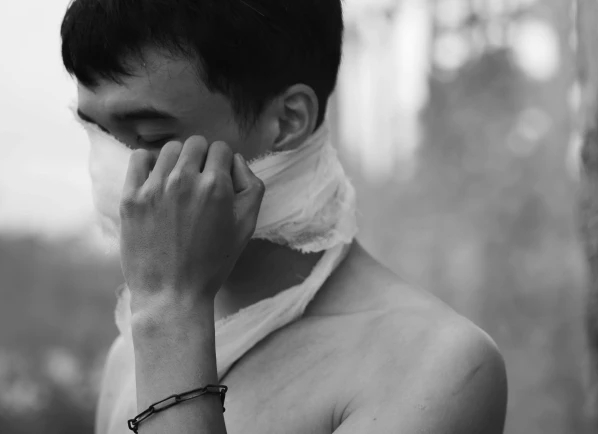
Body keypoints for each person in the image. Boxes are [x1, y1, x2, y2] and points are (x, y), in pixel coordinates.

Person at [60, 1, 508, 433]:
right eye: (96, 131)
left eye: (150, 136)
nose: (120, 171)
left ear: (288, 120)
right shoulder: (133, 352)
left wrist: (172, 310)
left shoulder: (433, 365)